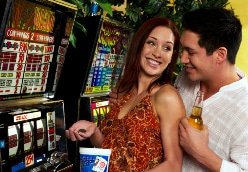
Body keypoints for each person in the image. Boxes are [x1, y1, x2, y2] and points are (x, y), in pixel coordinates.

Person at [66, 17, 185, 171]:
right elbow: (112, 150)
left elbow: (174, 165)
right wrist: (93, 130)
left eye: (166, 48)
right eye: (151, 43)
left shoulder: (167, 96)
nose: (157, 53)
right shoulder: (123, 90)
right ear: (139, 45)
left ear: (171, 57)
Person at [176, 7, 248, 171]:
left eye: (191, 52)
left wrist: (202, 153)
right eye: (183, 49)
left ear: (220, 55)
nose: (182, 59)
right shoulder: (186, 75)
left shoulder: (245, 108)